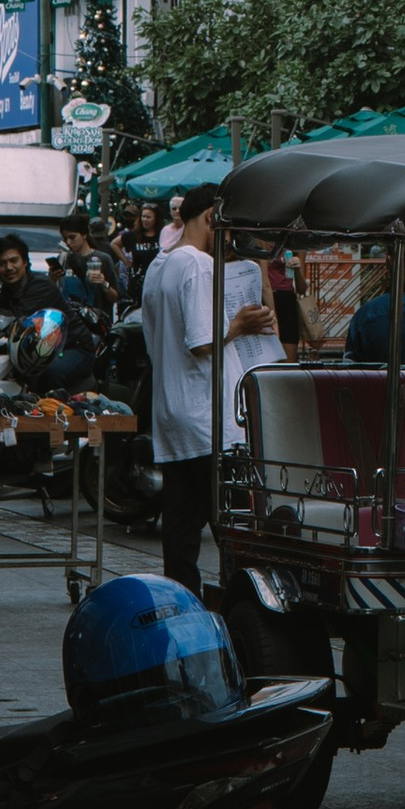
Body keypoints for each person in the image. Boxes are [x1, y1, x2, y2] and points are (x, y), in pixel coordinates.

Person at [139, 185, 281, 595]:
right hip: (208, 417)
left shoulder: (159, 266)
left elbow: (156, 340)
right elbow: (202, 341)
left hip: (173, 412)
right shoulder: (199, 265)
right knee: (231, 525)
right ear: (211, 217)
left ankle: (183, 605)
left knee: (181, 530)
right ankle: (246, 606)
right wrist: (241, 326)